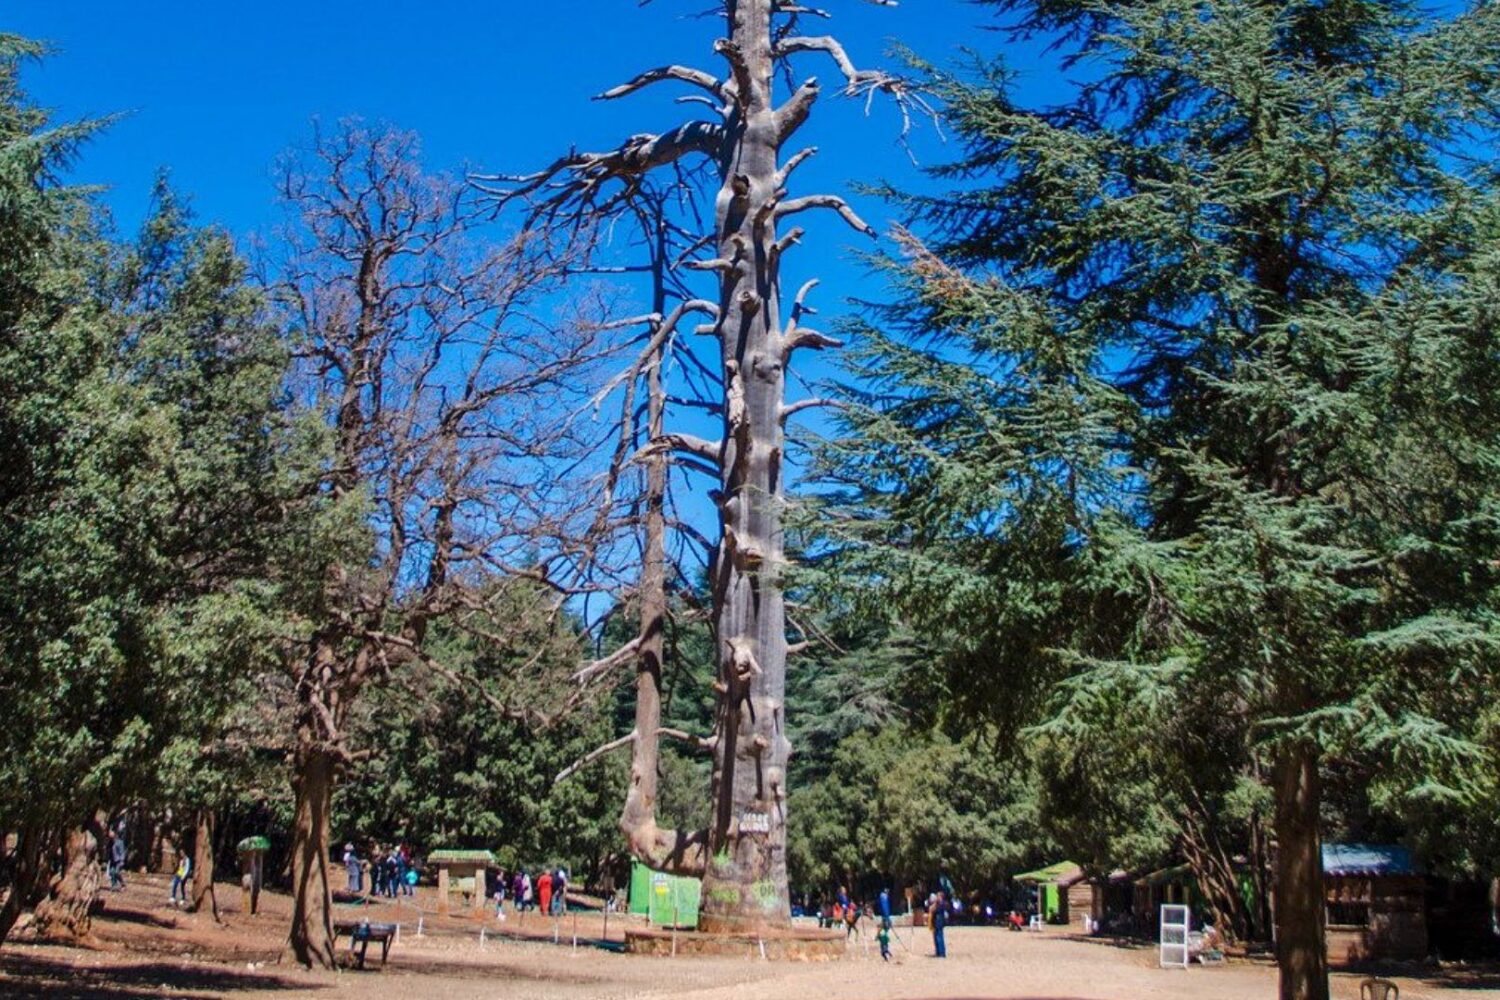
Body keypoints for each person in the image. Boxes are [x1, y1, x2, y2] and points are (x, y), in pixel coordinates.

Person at [930, 890, 948, 958]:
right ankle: (938, 952)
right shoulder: (937, 903)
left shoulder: (942, 904)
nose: (936, 897)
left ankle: (942, 953)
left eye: (937, 896)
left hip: (939, 922)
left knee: (939, 937)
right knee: (936, 937)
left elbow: (935, 910)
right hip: (935, 922)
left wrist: (934, 905)